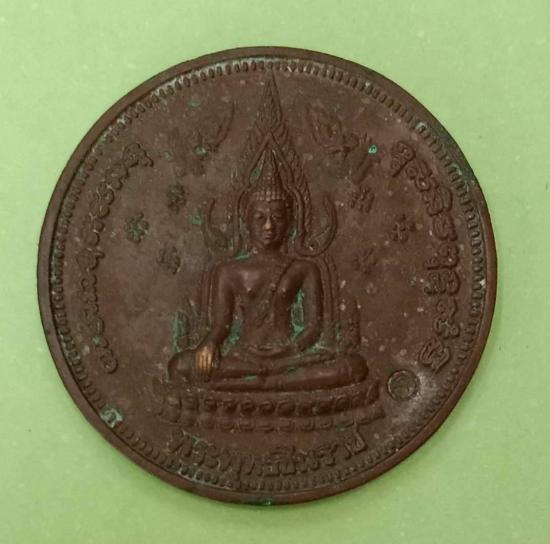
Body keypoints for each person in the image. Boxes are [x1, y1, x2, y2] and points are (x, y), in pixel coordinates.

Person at [167, 150, 367, 391]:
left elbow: (313, 328)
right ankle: (267, 378)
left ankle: (264, 379)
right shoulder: (228, 271)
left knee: (354, 366)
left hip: (289, 355)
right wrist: (209, 344)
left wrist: (290, 351)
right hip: (243, 356)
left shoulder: (304, 268)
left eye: (277, 217)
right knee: (179, 365)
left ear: (290, 222)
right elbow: (221, 326)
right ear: (246, 221)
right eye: (260, 218)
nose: (269, 226)